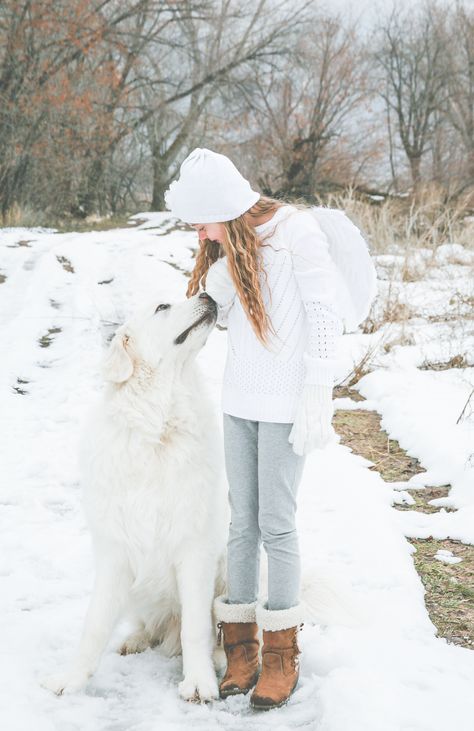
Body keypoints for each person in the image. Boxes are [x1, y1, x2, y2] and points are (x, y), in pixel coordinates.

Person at [164, 147, 343, 710]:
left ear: (225, 204)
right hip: (238, 403)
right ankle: (239, 649)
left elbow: (322, 312)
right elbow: (198, 311)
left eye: (201, 220)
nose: (198, 232)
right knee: (242, 525)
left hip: (288, 405)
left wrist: (318, 387)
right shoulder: (229, 252)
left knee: (276, 524)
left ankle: (281, 655)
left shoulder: (297, 233)